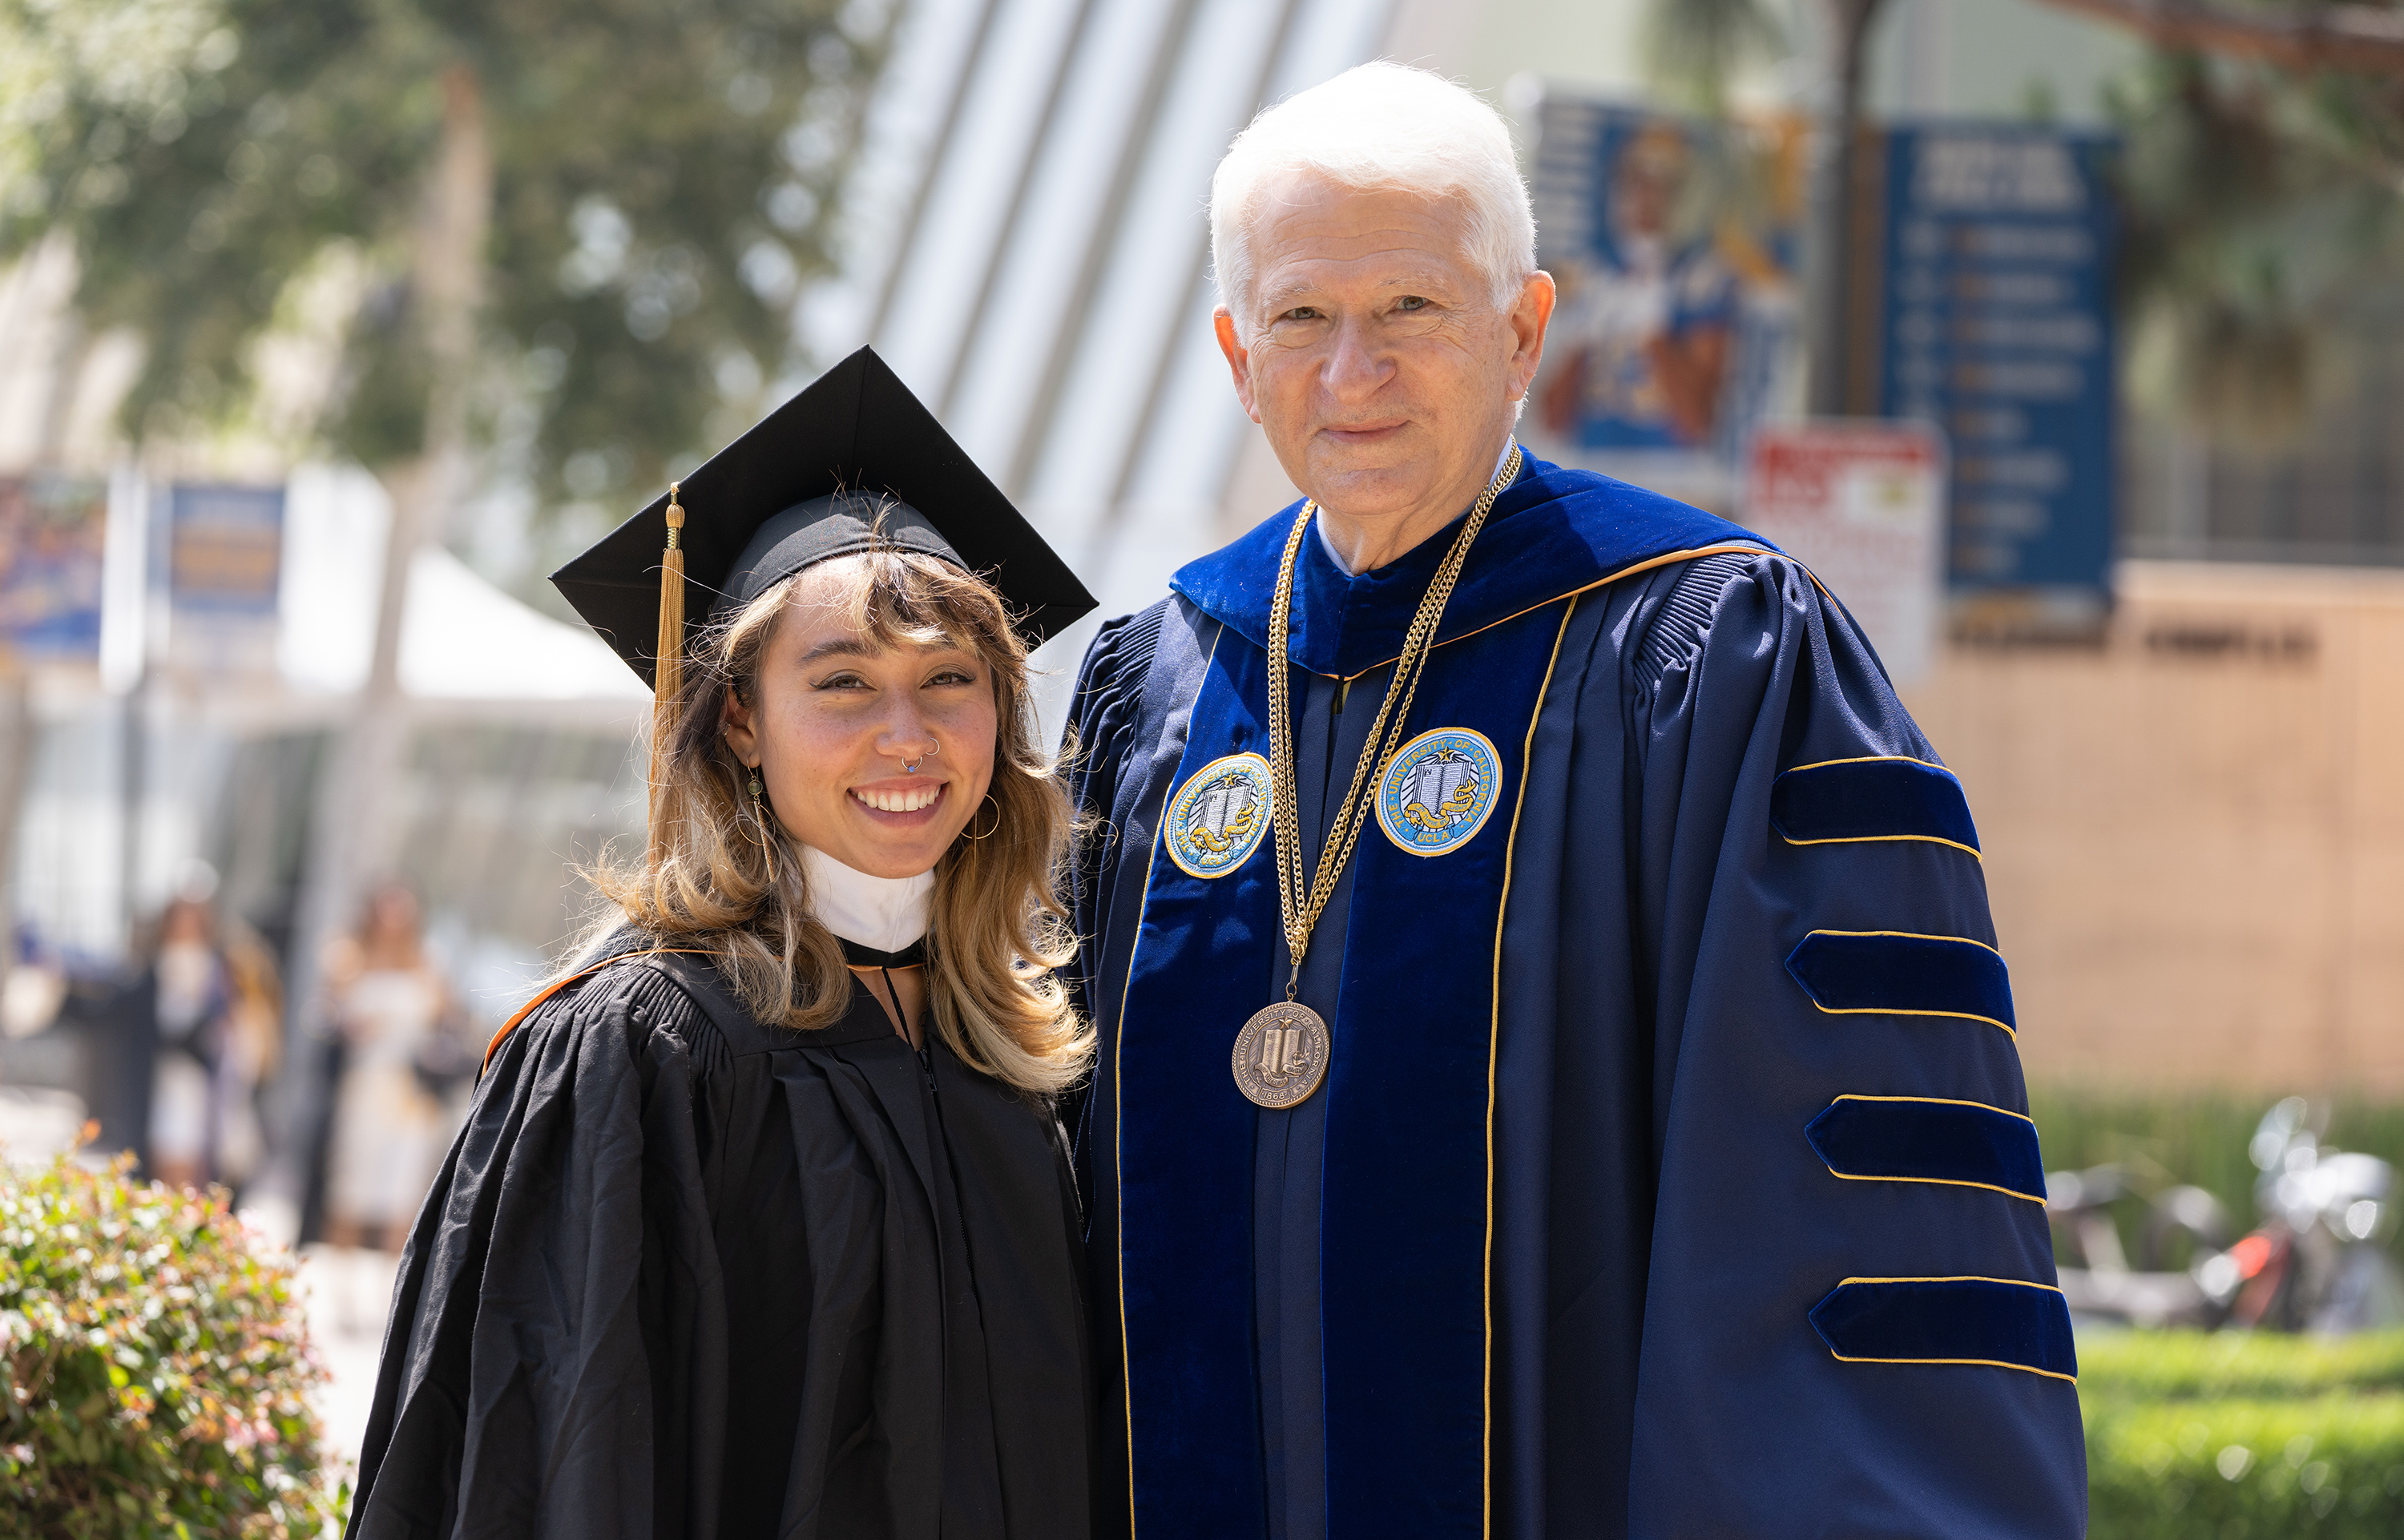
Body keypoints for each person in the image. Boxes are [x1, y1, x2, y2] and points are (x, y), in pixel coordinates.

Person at [1063, 63, 2084, 1538]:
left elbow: (1832, 1206)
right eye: (1301, 316)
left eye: (1410, 309)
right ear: (1236, 351)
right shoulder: (1155, 685)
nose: (1352, 370)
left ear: (1525, 328)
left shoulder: (1708, 653)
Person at [346, 349, 1099, 1539]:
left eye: (949, 678)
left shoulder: (1016, 1048)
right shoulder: (637, 1052)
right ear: (740, 718)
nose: (907, 737)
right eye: (844, 683)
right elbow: (559, 1467)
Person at [320, 881, 462, 1255]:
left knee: (401, 1192)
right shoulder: (347, 957)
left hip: (412, 1093)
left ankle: (389, 1295)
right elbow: (329, 1017)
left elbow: (450, 1022)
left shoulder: (429, 964)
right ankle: (340, 1288)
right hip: (364, 1085)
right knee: (351, 1188)